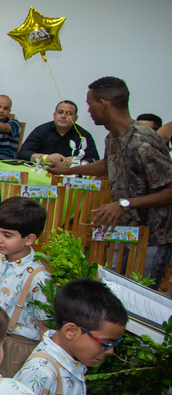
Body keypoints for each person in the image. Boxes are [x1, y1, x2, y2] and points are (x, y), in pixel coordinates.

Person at [48, 76, 172, 286]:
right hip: (123, 229)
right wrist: (68, 171)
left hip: (153, 237)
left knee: (140, 296)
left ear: (103, 105)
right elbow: (108, 164)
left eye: (90, 105)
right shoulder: (113, 137)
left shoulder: (144, 140)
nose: (88, 110)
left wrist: (124, 204)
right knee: (113, 289)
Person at [0, 196, 52, 378]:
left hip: (19, 347)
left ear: (29, 239)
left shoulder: (39, 278)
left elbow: (44, 328)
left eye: (7, 235)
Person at [18, 100, 100, 164]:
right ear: (54, 115)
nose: (63, 116)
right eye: (60, 112)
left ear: (75, 118)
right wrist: (46, 158)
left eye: (69, 113)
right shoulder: (41, 130)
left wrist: (79, 162)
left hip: (70, 174)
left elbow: (95, 159)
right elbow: (23, 153)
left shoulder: (83, 135)